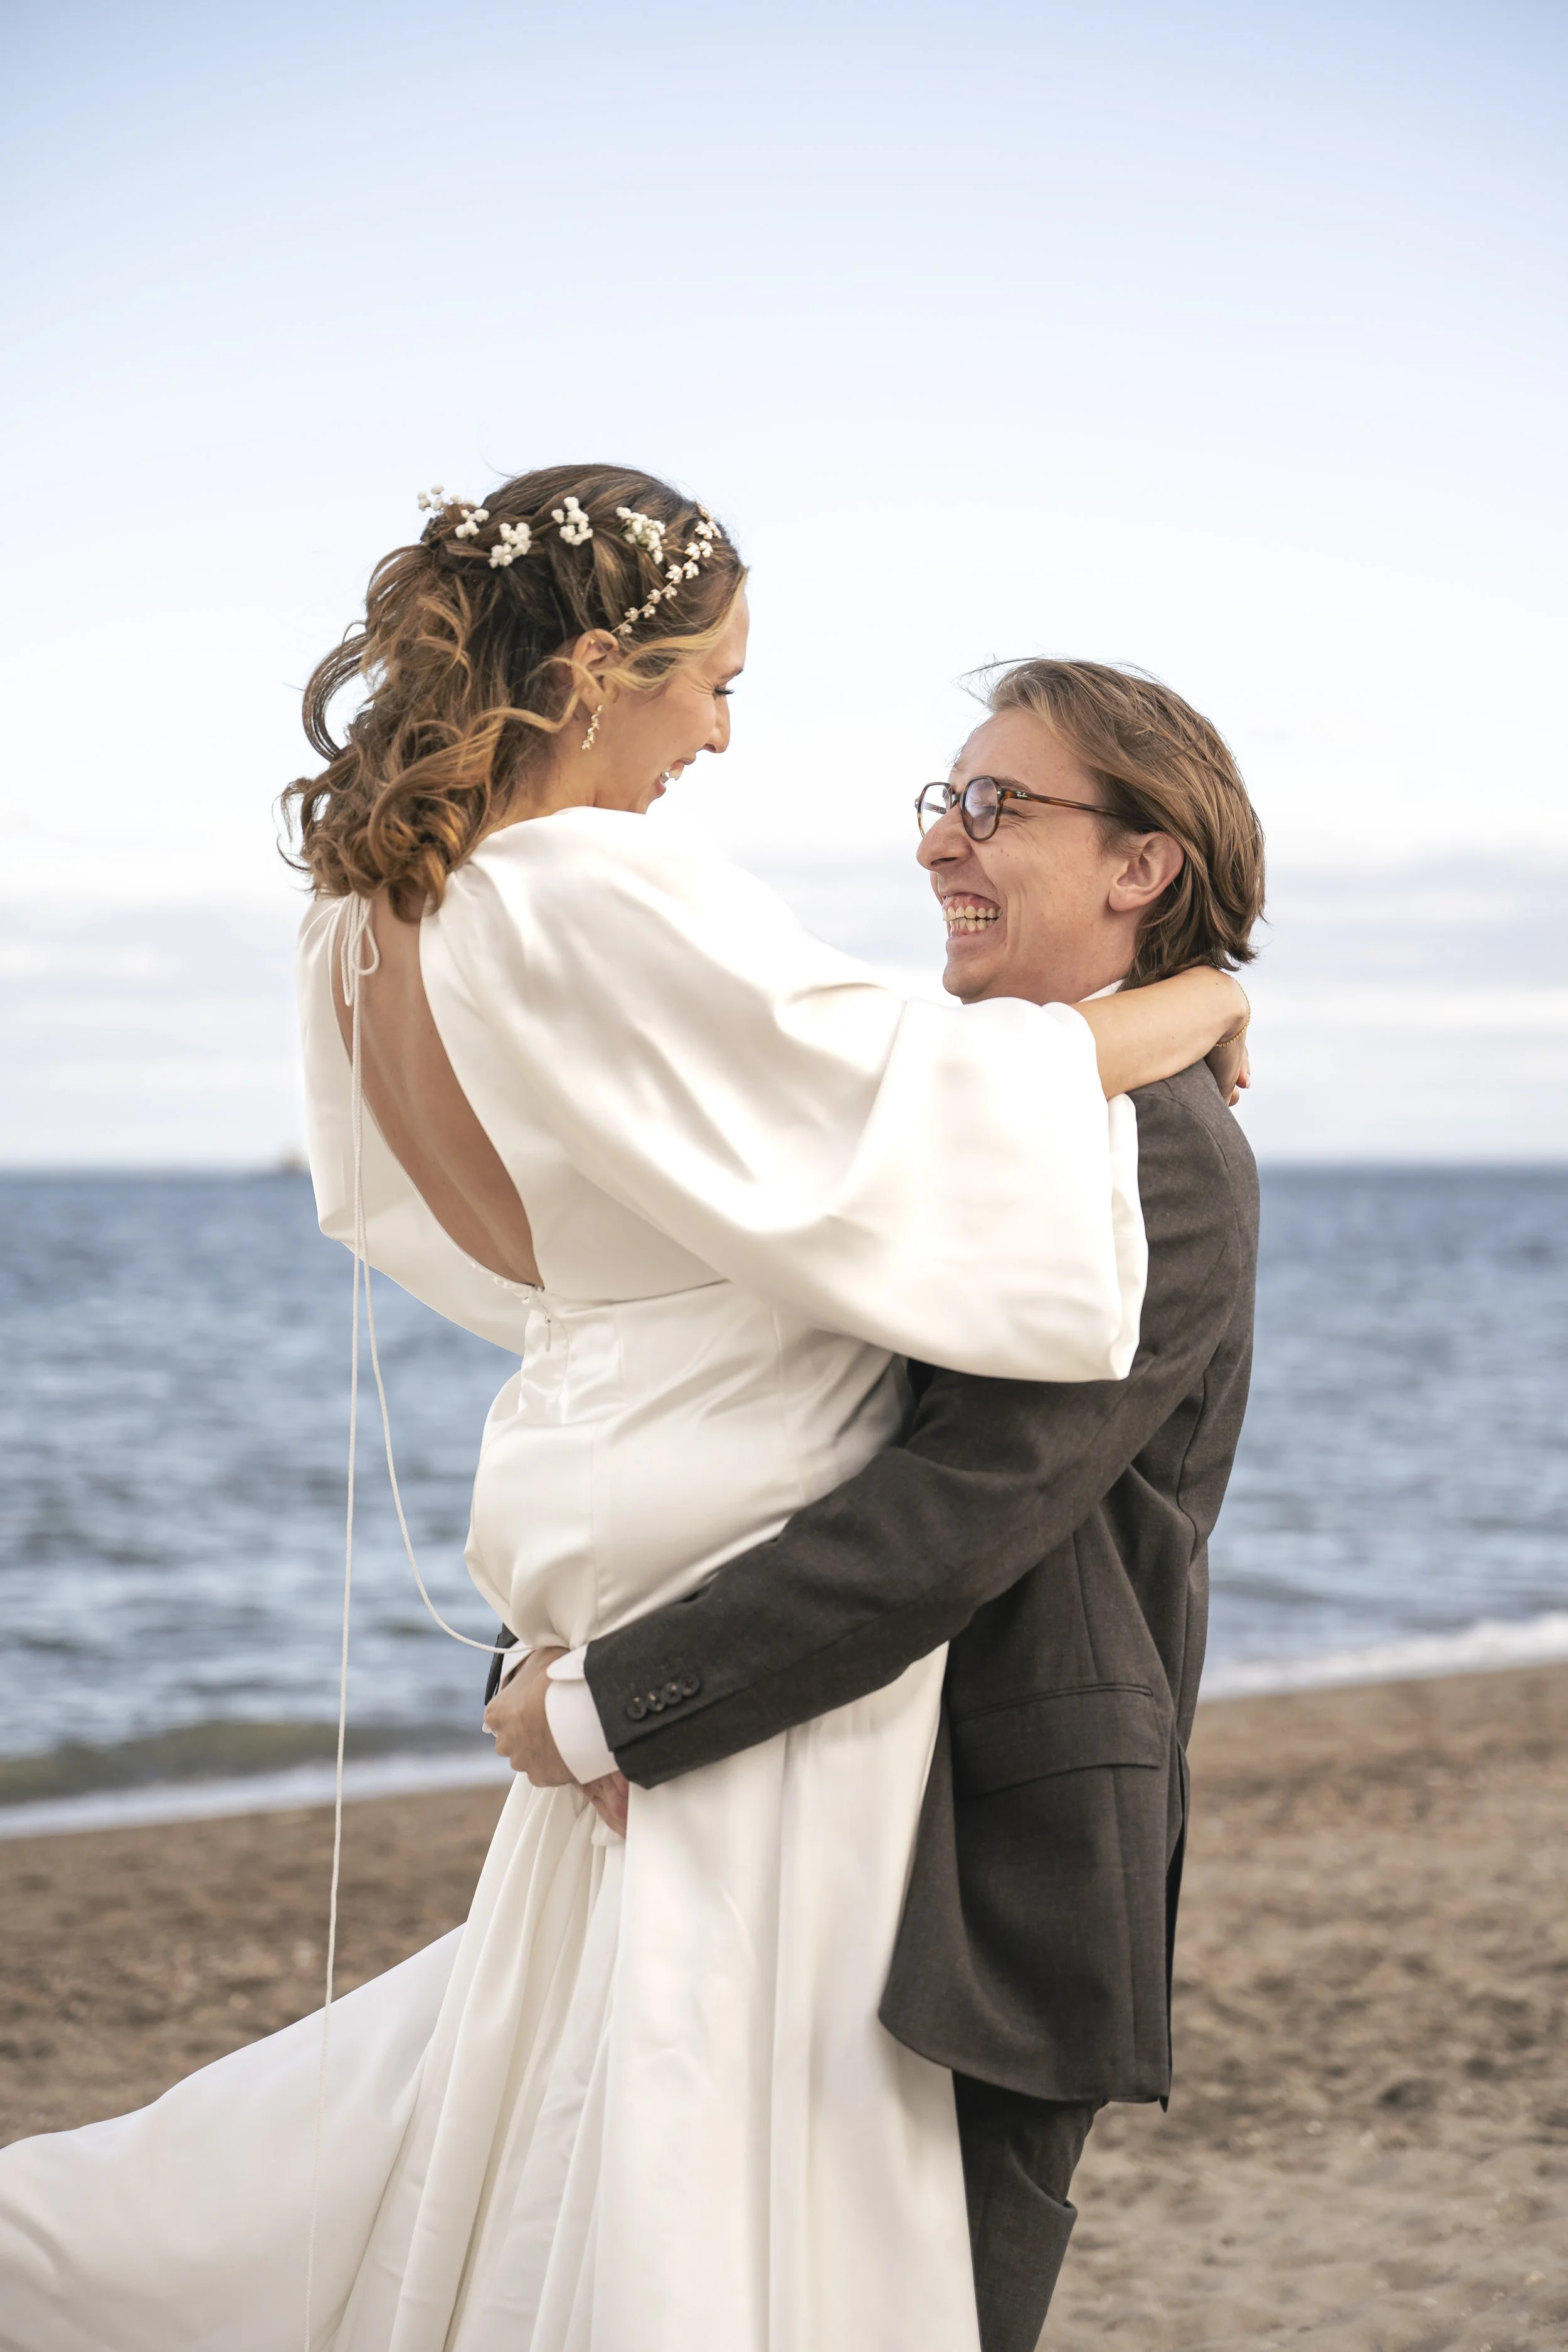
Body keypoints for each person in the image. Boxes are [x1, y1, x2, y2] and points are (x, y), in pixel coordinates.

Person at [0, 469, 1246, 2352]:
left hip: (802, 1700)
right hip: (737, 1680)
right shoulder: (584, 886)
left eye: (992, 805)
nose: (724, 737)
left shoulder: (383, 914)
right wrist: (1198, 999)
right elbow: (895, 1100)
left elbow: (558, 1253)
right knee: (683, 2189)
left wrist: (602, 1631)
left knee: (549, 2146)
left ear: (1136, 857)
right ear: (598, 670)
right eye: (716, 684)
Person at [485, 657, 1263, 2352]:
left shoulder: (1163, 1152)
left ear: (1140, 864)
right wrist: (554, 1637)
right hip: (785, 1814)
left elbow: (960, 1510)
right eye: (942, 800)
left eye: (993, 804)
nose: (936, 843)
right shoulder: (944, 1119)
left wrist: (612, 1705)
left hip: (977, 1887)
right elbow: (745, 1404)